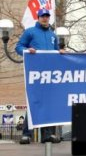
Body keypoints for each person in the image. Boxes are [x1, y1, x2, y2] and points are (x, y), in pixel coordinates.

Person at [15, 8, 64, 144]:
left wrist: (59, 52)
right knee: (33, 102)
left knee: (49, 103)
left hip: (50, 74)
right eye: (43, 16)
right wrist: (26, 50)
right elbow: (18, 47)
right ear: (38, 17)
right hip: (35, 73)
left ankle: (47, 135)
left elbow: (54, 51)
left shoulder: (53, 34)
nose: (45, 18)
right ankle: (27, 134)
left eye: (47, 16)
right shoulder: (30, 32)